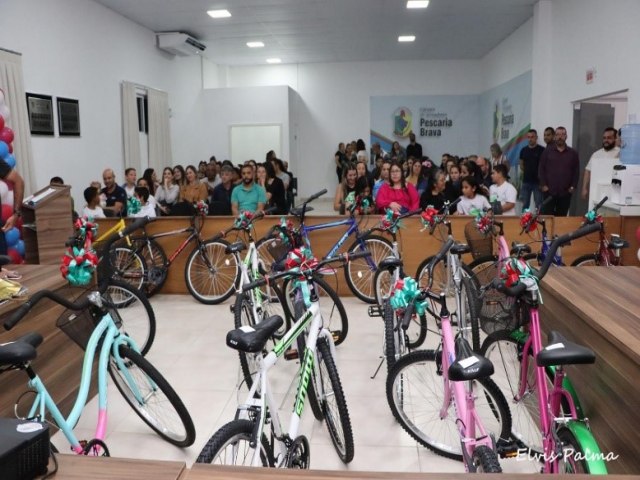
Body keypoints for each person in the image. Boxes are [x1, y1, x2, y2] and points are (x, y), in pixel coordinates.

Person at [539, 126, 580, 216]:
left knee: (561, 218)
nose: (560, 137)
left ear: (566, 136)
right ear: (555, 137)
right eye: (558, 134)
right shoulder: (547, 152)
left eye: (562, 134)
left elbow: (576, 171)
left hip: (565, 193)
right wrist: (544, 185)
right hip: (549, 192)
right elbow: (541, 169)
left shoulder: (573, 153)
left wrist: (573, 187)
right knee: (547, 217)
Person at [582, 127, 619, 200]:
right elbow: (588, 171)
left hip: (614, 192)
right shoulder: (596, 154)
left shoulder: (620, 153)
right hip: (596, 191)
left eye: (609, 138)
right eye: (604, 138)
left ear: (615, 138)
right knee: (594, 211)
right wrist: (584, 188)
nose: (606, 140)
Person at [519, 129, 545, 210]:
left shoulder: (542, 150)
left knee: (539, 204)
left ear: (536, 137)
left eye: (532, 137)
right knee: (524, 205)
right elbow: (521, 164)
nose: (530, 139)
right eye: (528, 137)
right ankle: (524, 221)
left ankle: (539, 222)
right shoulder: (523, 150)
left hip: (538, 183)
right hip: (526, 182)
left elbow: (544, 166)